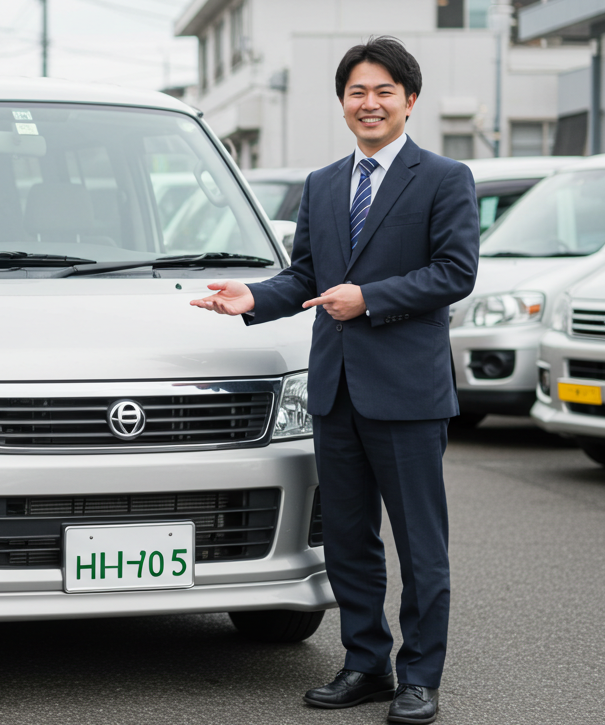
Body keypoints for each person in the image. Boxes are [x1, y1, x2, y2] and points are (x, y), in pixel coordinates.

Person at [190, 36, 478, 725]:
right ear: (343, 102)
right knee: (348, 538)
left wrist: (370, 299)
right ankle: (365, 663)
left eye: (383, 91)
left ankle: (420, 677)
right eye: (357, 91)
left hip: (408, 395)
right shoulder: (322, 184)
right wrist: (255, 298)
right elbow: (307, 278)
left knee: (420, 544)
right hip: (336, 391)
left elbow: (454, 273)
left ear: (410, 100)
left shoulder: (443, 178)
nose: (369, 103)